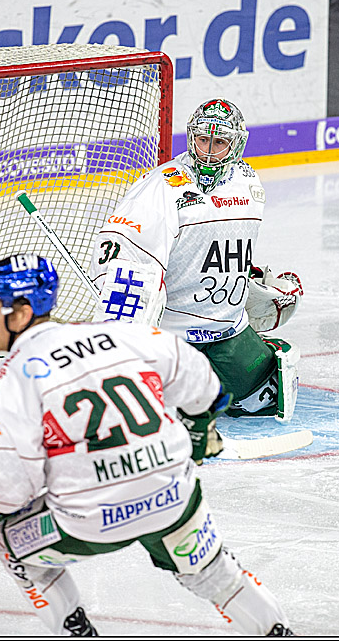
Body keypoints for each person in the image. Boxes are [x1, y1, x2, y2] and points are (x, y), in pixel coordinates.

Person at [0, 254, 294, 636]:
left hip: (91, 520)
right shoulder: (125, 334)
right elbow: (204, 384)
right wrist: (198, 431)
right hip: (171, 498)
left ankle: (75, 630)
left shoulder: (5, 383)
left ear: (21, 313)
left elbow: (10, 491)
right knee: (216, 575)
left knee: (11, 543)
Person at [88, 98, 303, 429]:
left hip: (228, 331)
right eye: (203, 140)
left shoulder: (249, 183)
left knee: (260, 399)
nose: (208, 152)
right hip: (173, 337)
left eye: (219, 143)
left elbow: (215, 250)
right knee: (130, 416)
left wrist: (249, 281)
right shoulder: (161, 187)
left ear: (236, 145)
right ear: (191, 138)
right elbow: (121, 252)